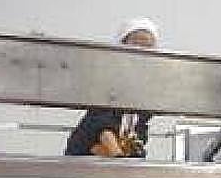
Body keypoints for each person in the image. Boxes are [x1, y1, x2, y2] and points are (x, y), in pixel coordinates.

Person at [65, 18, 157, 158]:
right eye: (136, 45)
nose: (142, 52)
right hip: (88, 155)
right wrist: (119, 160)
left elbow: (139, 129)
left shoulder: (146, 89)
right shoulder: (108, 80)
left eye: (148, 47)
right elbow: (103, 129)